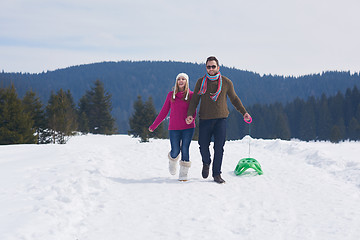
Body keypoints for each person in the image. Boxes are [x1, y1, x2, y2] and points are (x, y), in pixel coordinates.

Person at [186, 56, 251, 184]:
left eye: (213, 66)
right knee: (203, 145)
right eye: (208, 67)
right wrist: (190, 115)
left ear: (218, 67)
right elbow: (194, 101)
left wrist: (244, 112)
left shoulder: (226, 82)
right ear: (206, 68)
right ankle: (206, 162)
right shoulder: (201, 82)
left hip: (221, 119)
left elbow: (234, 99)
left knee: (219, 147)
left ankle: (217, 174)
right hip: (204, 119)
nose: (211, 69)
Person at [149, 73, 196, 181]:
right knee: (175, 150)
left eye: (183, 79)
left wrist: (191, 118)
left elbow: (193, 111)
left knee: (185, 148)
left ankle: (183, 174)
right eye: (179, 79)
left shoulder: (191, 95)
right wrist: (154, 125)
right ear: (176, 81)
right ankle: (172, 160)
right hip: (174, 128)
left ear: (186, 82)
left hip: (188, 127)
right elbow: (164, 111)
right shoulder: (171, 95)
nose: (181, 81)